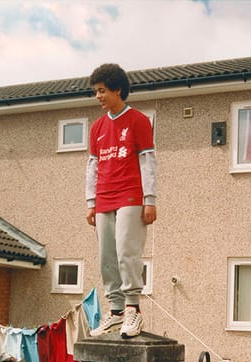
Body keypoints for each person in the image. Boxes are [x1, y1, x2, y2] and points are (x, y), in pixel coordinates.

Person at [85, 63, 157, 339]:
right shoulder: (97, 128)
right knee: (107, 256)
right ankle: (115, 312)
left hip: (130, 194)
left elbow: (148, 161)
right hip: (104, 197)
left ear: (118, 89)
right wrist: (91, 202)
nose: (99, 97)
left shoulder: (138, 120)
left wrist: (150, 199)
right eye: (95, 92)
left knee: (127, 251)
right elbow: (92, 166)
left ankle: (132, 310)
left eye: (102, 91)